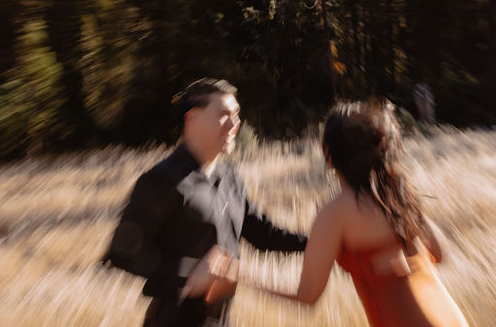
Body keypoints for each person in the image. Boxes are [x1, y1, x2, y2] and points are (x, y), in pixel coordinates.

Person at [101, 78, 307, 326]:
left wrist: (320, 241)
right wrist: (188, 272)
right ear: (192, 119)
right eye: (223, 114)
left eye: (236, 115)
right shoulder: (162, 180)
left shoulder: (229, 177)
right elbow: (120, 253)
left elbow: (264, 234)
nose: (234, 124)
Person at [257, 101, 469, 326]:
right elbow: (440, 253)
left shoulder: (335, 213)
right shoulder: (398, 197)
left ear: (328, 153)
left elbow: (308, 296)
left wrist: (242, 279)